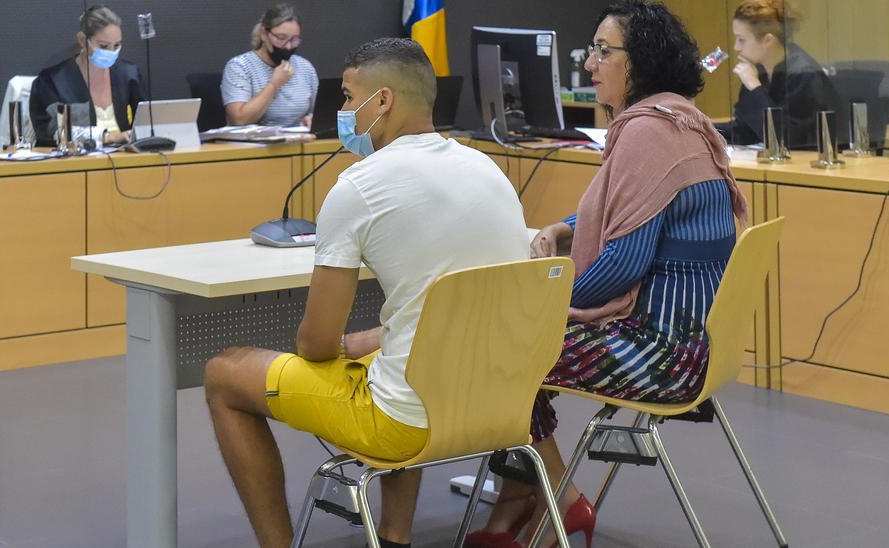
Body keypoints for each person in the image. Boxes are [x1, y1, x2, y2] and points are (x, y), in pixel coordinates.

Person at [203, 38, 531, 548]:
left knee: (225, 372)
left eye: (347, 96)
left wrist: (346, 344)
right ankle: (395, 535)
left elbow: (315, 345)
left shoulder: (360, 186)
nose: (340, 110)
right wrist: (367, 340)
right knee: (389, 352)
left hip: (405, 424)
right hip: (499, 411)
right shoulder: (489, 169)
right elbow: (446, 308)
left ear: (382, 102)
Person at [466, 2, 748, 547]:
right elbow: (634, 208)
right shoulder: (680, 119)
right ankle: (525, 503)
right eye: (590, 50)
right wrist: (568, 228)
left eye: (602, 50)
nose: (589, 62)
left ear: (637, 62)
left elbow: (622, 265)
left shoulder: (646, 132)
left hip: (659, 354)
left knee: (495, 354)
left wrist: (540, 305)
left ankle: (564, 505)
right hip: (696, 345)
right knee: (512, 347)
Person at [717, 0, 842, 149]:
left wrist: (754, 87)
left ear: (768, 40)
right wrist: (703, 128)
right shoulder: (759, 71)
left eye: (741, 40)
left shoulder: (803, 74)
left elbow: (786, 137)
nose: (736, 47)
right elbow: (746, 130)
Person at [29, 5, 145, 148]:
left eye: (117, 46)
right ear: (82, 39)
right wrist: (107, 137)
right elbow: (50, 131)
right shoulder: (53, 82)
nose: (111, 52)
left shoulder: (128, 75)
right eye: (103, 46)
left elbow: (146, 122)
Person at [221, 3, 319, 127]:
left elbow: (316, 113)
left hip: (297, 142)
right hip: (253, 144)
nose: (288, 46)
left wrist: (311, 120)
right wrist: (274, 84)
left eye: (294, 40)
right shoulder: (239, 66)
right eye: (281, 38)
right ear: (264, 33)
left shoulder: (305, 68)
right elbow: (239, 119)